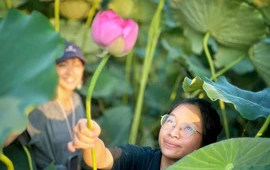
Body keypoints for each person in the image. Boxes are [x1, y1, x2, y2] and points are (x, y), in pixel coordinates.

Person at [68, 97, 223, 170]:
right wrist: (90, 139)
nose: (174, 132)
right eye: (171, 121)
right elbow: (102, 158)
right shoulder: (140, 158)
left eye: (188, 128)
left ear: (204, 143)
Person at [22, 41, 86, 170]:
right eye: (62, 65)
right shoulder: (39, 105)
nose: (70, 72)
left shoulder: (77, 99)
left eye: (77, 65)